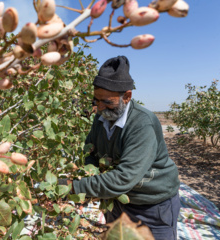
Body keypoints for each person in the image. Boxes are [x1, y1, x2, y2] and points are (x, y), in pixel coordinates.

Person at [71, 56, 181, 240]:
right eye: (96, 101)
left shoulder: (142, 123)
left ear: (127, 96)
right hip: (117, 201)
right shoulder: (101, 118)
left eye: (107, 102)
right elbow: (90, 152)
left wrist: (74, 187)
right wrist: (87, 179)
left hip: (151, 205)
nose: (99, 107)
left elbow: (124, 177)